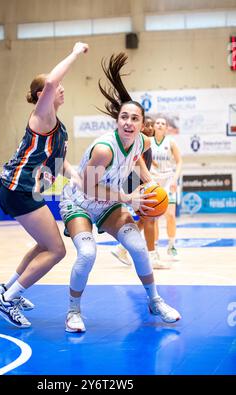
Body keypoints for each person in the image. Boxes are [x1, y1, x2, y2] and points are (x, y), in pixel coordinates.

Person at [59, 53, 181, 333]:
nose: (128, 122)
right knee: (87, 253)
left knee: (138, 247)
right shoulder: (104, 149)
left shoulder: (141, 141)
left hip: (107, 203)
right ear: (117, 120)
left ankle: (154, 301)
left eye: (134, 118)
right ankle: (73, 311)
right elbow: (88, 186)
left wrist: (150, 184)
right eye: (123, 117)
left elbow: (137, 157)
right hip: (79, 201)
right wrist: (128, 198)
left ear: (141, 123)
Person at [0, 42, 89, 328]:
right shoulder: (41, 115)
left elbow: (61, 164)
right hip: (17, 189)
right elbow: (54, 80)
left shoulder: (58, 126)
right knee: (57, 250)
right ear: (40, 94)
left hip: (22, 190)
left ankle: (6, 290)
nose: (59, 88)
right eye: (51, 86)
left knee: (44, 245)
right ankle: (8, 300)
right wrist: (74, 52)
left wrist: (80, 179)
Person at [110, 116, 161, 268]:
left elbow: (143, 164)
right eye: (148, 125)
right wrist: (146, 185)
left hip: (137, 183)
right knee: (150, 218)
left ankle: (122, 248)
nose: (151, 128)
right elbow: (134, 166)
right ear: (141, 127)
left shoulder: (146, 145)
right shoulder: (138, 143)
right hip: (132, 183)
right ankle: (151, 256)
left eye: (153, 125)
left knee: (146, 219)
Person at [150, 116, 183, 262]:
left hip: (169, 180)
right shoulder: (148, 142)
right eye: (158, 123)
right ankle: (154, 248)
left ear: (167, 127)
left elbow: (179, 161)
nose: (160, 125)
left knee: (170, 215)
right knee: (154, 217)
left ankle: (171, 245)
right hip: (153, 181)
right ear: (154, 126)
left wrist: (175, 179)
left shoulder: (171, 142)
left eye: (163, 123)